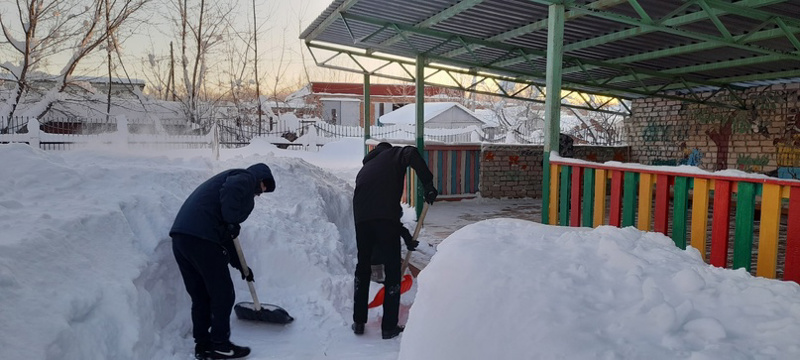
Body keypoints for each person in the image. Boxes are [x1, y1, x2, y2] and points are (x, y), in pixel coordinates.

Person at [170, 163, 276, 360]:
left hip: (182, 239)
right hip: (202, 239)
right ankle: (220, 344)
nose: (260, 194)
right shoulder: (245, 177)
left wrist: (242, 266)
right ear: (261, 179)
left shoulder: (220, 197)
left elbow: (227, 237)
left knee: (201, 297)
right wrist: (232, 220)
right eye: (264, 188)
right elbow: (231, 194)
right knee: (223, 294)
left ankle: (203, 346)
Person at [351, 142, 437, 339]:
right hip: (383, 219)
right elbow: (411, 152)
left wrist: (407, 238)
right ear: (388, 149)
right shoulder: (392, 154)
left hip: (361, 220)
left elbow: (381, 213)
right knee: (392, 270)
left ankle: (358, 322)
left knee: (362, 268)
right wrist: (428, 185)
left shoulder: (366, 168)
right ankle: (389, 327)